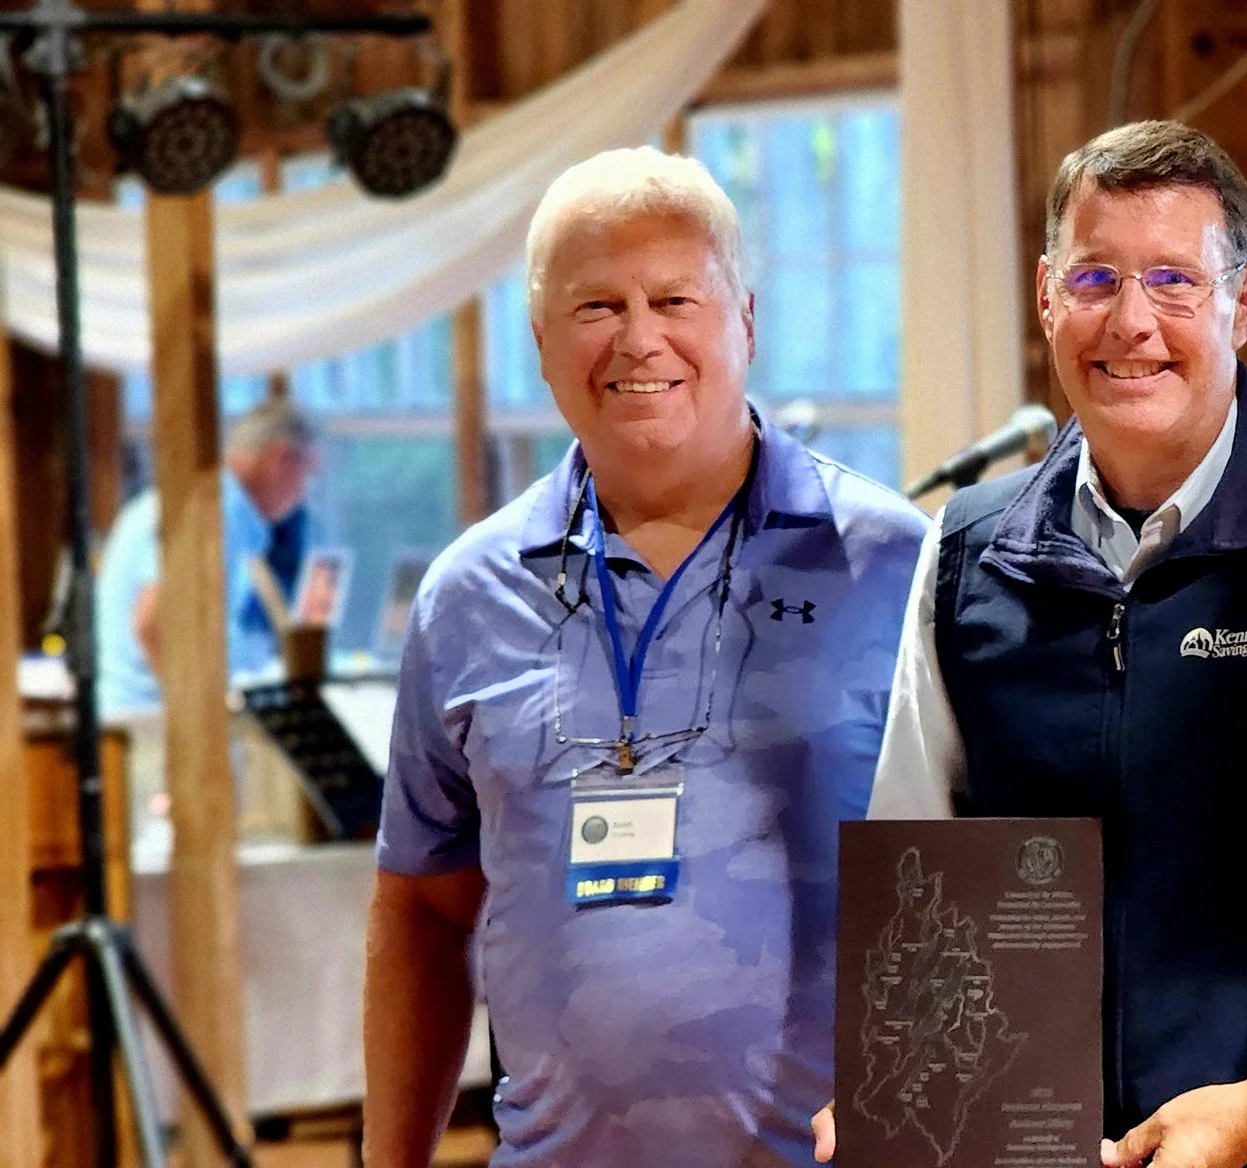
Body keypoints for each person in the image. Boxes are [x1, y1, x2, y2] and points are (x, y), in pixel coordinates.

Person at [818, 120, 1247, 1168]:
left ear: (1245, 301)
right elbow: (921, 871)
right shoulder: (966, 552)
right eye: (1094, 279)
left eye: (1174, 279)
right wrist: (890, 1074)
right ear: (1046, 296)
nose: (1130, 322)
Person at [362, 147, 926, 1166]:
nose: (639, 338)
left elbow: (973, 882)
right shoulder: (465, 596)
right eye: (596, 307)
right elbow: (421, 909)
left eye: (675, 297)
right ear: (539, 341)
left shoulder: (891, 561)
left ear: (745, 320)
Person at [95, 396, 320, 719]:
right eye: (308, 477)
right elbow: (154, 623)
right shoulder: (213, 511)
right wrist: (205, 722)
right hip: (150, 724)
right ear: (281, 459)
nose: (302, 497)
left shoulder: (208, 504)